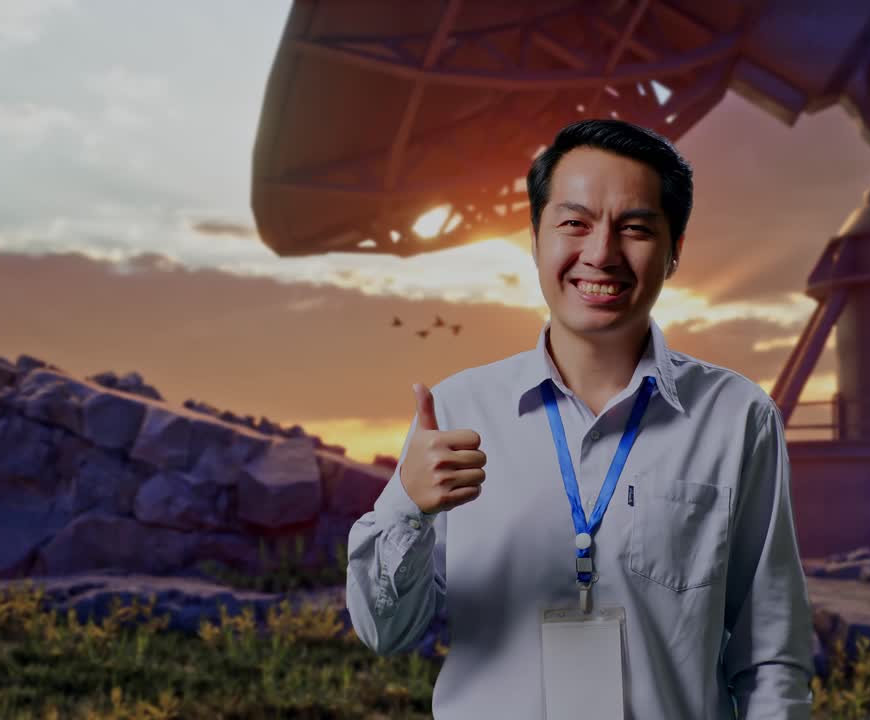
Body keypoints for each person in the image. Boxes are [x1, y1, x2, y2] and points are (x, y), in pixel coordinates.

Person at [346, 118, 815, 719]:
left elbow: (771, 656)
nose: (601, 253)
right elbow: (384, 632)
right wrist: (406, 507)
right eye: (574, 223)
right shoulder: (457, 412)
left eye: (636, 228)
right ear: (535, 240)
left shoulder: (738, 418)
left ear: (675, 251)